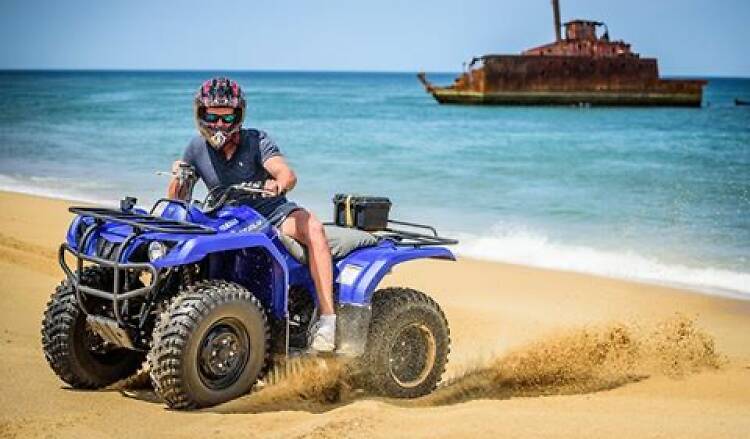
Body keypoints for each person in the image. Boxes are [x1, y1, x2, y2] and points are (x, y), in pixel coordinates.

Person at [168, 77, 336, 352]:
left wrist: (278, 184)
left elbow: (286, 172)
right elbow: (177, 202)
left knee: (314, 227)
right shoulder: (196, 148)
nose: (219, 124)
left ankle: (328, 320)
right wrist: (180, 175)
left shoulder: (257, 141)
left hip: (271, 215)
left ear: (239, 114)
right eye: (212, 116)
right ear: (200, 114)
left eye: (227, 117)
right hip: (227, 220)